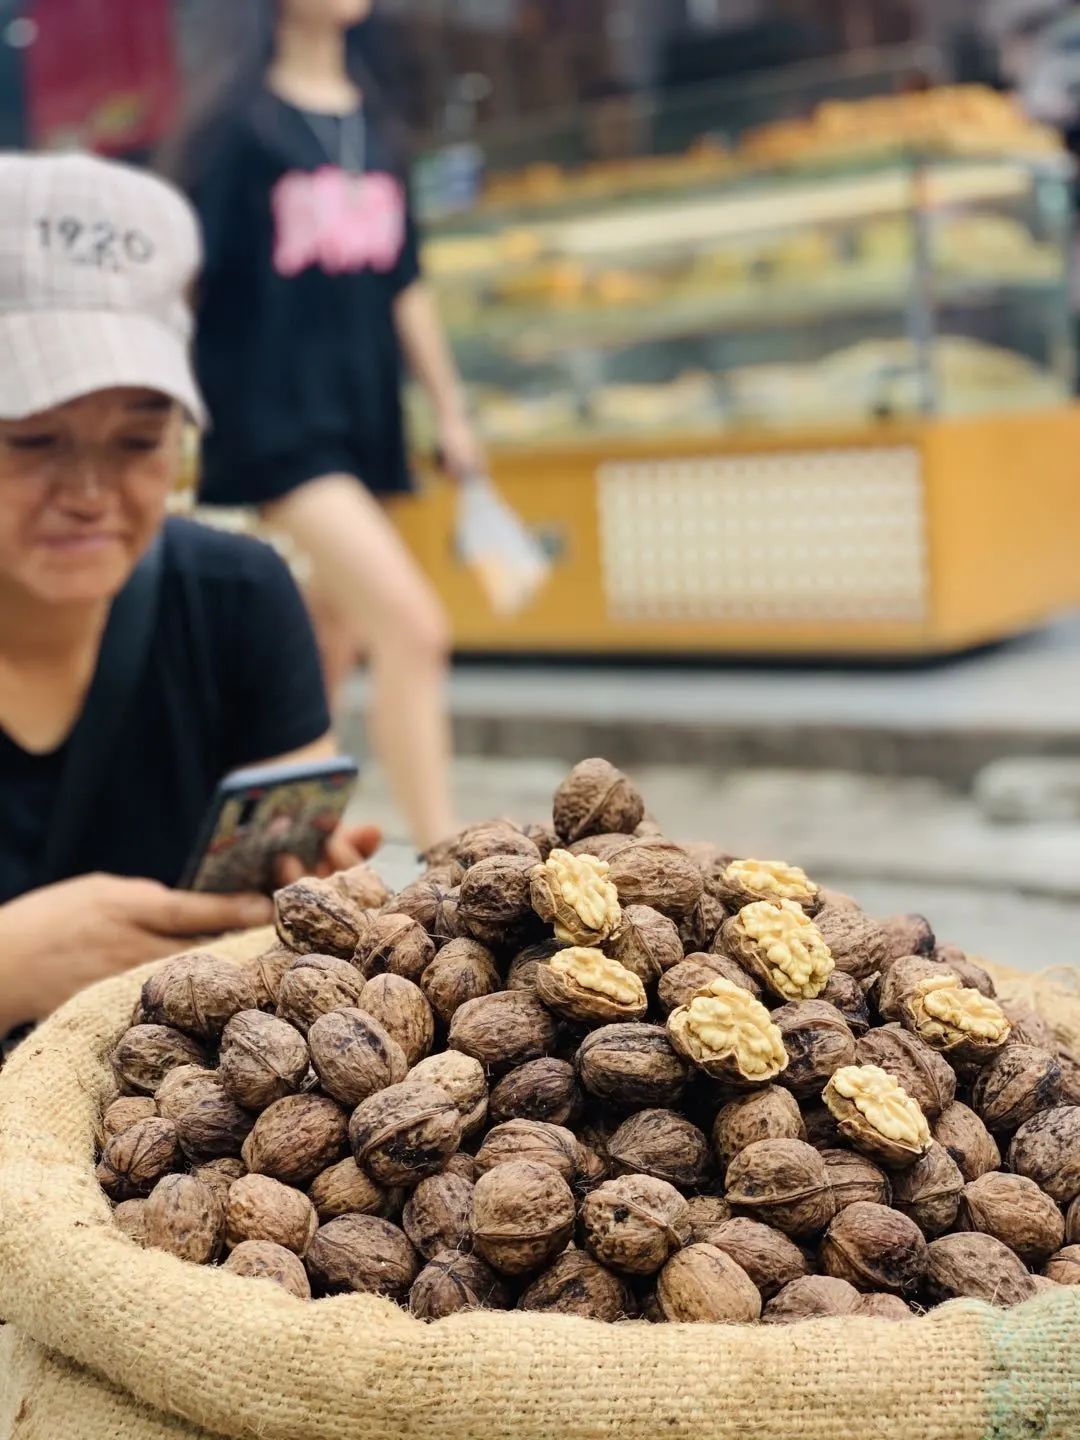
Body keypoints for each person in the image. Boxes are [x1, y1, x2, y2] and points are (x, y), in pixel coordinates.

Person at [0, 152, 377, 1034]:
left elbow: (295, 880)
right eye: (31, 440)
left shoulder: (237, 598)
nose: (91, 494)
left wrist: (305, 895)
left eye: (138, 443)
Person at [168, 0, 481, 852]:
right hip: (275, 424)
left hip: (363, 416)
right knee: (413, 628)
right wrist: (161, 406)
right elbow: (189, 282)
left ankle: (266, 846)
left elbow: (405, 279)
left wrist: (450, 408)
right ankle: (450, 861)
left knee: (323, 644)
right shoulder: (239, 127)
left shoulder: (375, 120)